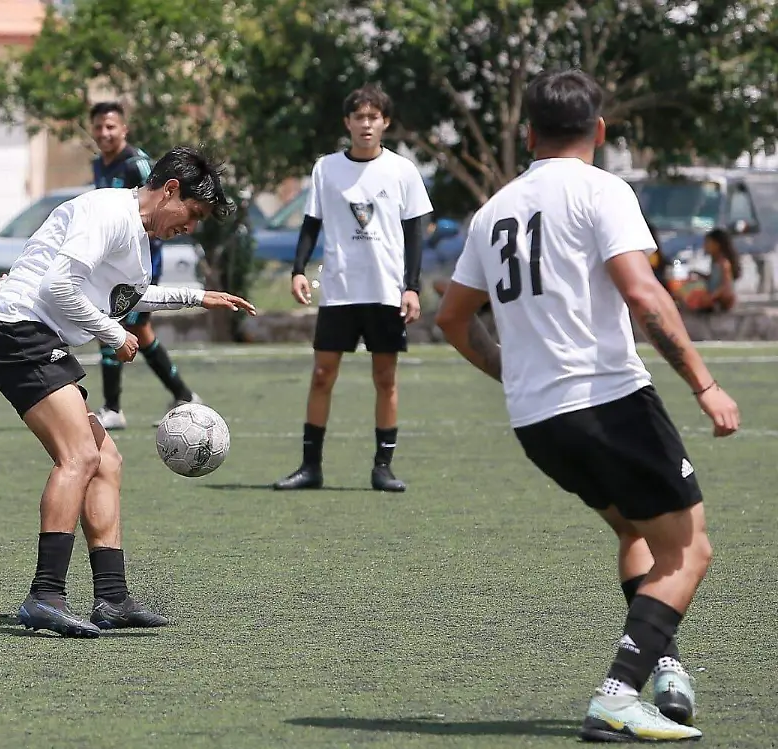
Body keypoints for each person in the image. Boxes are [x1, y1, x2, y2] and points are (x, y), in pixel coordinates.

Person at [435, 69, 739, 742]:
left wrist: (507, 370)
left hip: (538, 420)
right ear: (599, 131)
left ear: (527, 134)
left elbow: (453, 319)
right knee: (690, 551)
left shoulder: (494, 212)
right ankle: (617, 693)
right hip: (610, 402)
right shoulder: (604, 190)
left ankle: (664, 670)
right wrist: (704, 384)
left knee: (637, 533)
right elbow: (644, 293)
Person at [0, 145, 255, 638]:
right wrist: (112, 333)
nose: (190, 226)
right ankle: (45, 595)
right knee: (79, 457)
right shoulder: (108, 211)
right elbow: (56, 287)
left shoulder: (135, 233)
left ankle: (111, 597)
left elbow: (123, 296)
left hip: (32, 335)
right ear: (170, 190)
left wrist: (197, 296)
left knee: (106, 461)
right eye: (191, 213)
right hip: (15, 329)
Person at [273, 83, 433, 492]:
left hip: (385, 291)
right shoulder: (326, 168)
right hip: (341, 290)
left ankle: (383, 467)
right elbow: (312, 222)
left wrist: (411, 287)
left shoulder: (402, 170)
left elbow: (414, 233)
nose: (366, 124)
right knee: (323, 374)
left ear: (385, 123)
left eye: (373, 117)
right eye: (359, 117)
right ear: (348, 123)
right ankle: (311, 467)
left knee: (385, 379)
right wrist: (297, 269)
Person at [87, 101, 202, 430]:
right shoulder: (100, 165)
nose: (104, 133)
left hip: (139, 262)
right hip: (113, 261)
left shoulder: (137, 165)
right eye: (98, 127)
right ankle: (184, 395)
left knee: (112, 324)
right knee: (140, 331)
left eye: (111, 126)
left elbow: (156, 211)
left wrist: (140, 264)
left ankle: (112, 408)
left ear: (124, 129)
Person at [679, 228, 739, 313]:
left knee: (694, 296)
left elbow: (725, 285)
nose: (704, 246)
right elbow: (713, 279)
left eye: (707, 243)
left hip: (722, 299)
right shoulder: (714, 262)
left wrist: (712, 296)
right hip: (713, 295)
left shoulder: (724, 263)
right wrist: (698, 274)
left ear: (717, 245)